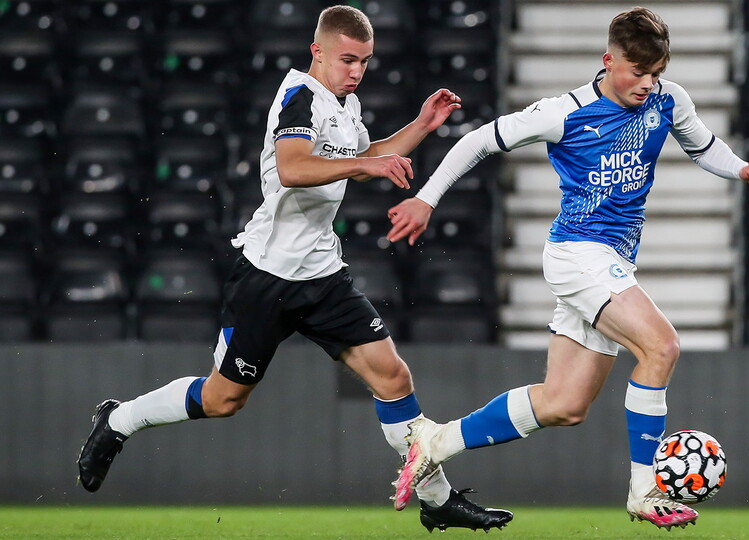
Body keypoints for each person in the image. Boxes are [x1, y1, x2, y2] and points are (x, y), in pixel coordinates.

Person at [77, 5, 512, 533]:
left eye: (365, 62)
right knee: (222, 399)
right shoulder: (300, 96)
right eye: (347, 60)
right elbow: (294, 167)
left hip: (322, 276)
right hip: (267, 275)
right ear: (317, 51)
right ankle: (118, 420)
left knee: (393, 376)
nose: (356, 71)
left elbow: (364, 153)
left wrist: (421, 125)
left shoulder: (344, 104)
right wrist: (365, 164)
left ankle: (436, 499)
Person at [385, 6, 749, 530]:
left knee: (564, 404)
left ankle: (436, 442)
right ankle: (645, 491)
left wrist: (742, 169)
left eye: (656, 72)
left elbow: (703, 146)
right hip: (578, 254)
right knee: (661, 346)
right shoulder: (563, 112)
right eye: (637, 72)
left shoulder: (669, 99)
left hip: (611, 260)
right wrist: (428, 199)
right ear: (609, 60)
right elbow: (479, 140)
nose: (648, 84)